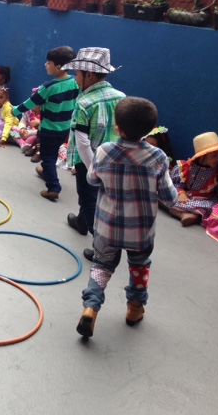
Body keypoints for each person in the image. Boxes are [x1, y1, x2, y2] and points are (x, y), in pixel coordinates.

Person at [76, 97, 178, 338]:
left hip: (106, 228)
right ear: (150, 130)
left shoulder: (104, 151)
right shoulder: (158, 157)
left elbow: (92, 179)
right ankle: (134, 308)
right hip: (141, 233)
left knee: (101, 266)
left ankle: (91, 307)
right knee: (139, 267)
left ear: (117, 127)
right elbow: (169, 198)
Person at [62, 48, 126, 260]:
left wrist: (92, 169)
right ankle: (81, 222)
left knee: (88, 200)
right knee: (97, 196)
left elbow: (82, 142)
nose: (75, 78)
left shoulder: (84, 103)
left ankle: (102, 251)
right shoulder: (121, 97)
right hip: (114, 159)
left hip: (90, 162)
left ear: (88, 75)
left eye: (77, 74)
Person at [12, 46, 79, 201]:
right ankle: (46, 171)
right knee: (53, 152)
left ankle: (53, 187)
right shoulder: (75, 83)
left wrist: (15, 110)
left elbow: (31, 103)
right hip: (64, 129)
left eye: (48, 62)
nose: (45, 65)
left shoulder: (48, 87)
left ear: (58, 66)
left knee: (47, 157)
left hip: (49, 130)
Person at [168, 132, 218, 228]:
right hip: (186, 197)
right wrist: (181, 193)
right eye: (214, 156)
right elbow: (175, 183)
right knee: (168, 198)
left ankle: (190, 215)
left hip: (206, 200)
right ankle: (189, 215)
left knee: (212, 207)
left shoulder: (217, 173)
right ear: (202, 156)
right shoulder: (187, 168)